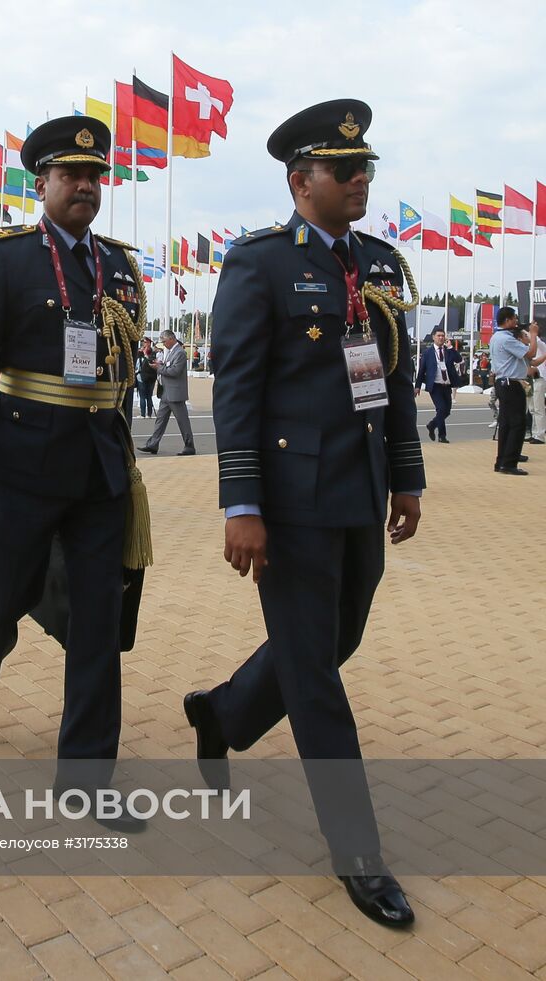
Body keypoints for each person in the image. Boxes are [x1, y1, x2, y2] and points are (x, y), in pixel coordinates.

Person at [188, 100, 423, 928]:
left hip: (358, 491)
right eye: (344, 169)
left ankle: (220, 712)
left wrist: (407, 478)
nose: (361, 180)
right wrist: (241, 503)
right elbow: (238, 390)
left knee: (336, 640)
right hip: (288, 505)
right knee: (316, 675)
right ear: (300, 181)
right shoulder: (259, 265)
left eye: (367, 168)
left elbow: (393, 381)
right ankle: (359, 852)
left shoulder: (383, 265)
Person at [0, 115, 151, 831]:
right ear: (44, 183)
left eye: (96, 176)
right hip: (21, 461)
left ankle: (87, 776)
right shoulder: (6, 259)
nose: (86, 187)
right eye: (72, 175)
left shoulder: (121, 264)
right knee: (5, 595)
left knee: (99, 615)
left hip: (97, 464)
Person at [489, 308, 538, 474]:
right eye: (515, 318)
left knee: (506, 424)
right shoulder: (507, 339)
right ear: (508, 320)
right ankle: (509, 463)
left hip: (503, 383)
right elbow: (530, 352)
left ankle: (501, 461)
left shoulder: (497, 336)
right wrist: (533, 334)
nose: (517, 321)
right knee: (518, 424)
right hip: (511, 384)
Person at [138, 329, 196, 455]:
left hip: (175, 394)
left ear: (172, 338)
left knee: (182, 421)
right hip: (167, 392)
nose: (163, 344)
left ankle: (189, 445)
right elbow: (168, 366)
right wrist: (161, 364)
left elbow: (174, 371)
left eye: (164, 341)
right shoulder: (171, 352)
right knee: (160, 420)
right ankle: (153, 444)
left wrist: (159, 368)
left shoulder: (179, 352)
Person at [414, 327, 463, 443]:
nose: (441, 338)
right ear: (433, 337)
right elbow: (421, 371)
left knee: (446, 411)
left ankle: (432, 425)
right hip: (435, 386)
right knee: (441, 409)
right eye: (438, 336)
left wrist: (451, 347)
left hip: (446, 385)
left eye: (442, 336)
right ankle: (442, 435)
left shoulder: (448, 351)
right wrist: (417, 386)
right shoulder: (428, 353)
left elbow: (458, 359)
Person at [135, 336, 158, 417]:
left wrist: (145, 354)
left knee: (148, 396)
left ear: (149, 343)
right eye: (143, 342)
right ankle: (143, 413)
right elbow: (137, 362)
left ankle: (149, 414)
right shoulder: (139, 352)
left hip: (150, 377)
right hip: (141, 376)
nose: (143, 344)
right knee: (142, 395)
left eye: (145, 342)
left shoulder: (152, 352)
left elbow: (152, 362)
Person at [529, 336, 546, 444]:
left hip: (539, 379)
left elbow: (537, 341)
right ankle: (534, 432)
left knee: (538, 407)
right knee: (532, 408)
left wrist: (532, 333)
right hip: (529, 380)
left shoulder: (541, 346)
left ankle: (540, 434)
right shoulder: (527, 348)